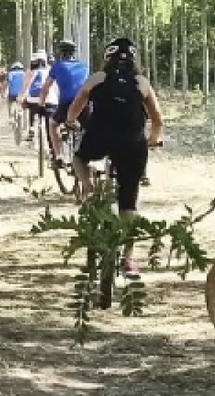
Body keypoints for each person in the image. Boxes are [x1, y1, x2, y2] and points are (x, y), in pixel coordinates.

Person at [66, 38, 164, 273]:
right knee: (129, 199)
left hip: (99, 137)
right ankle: (128, 258)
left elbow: (78, 102)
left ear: (108, 58)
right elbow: (158, 118)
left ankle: (89, 187)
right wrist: (154, 138)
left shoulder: (98, 77)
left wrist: (71, 121)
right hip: (132, 143)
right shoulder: (142, 82)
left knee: (79, 158)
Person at [41, 40, 89, 167]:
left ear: (60, 53)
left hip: (66, 102)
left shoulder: (57, 66)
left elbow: (46, 87)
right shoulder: (84, 66)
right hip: (84, 102)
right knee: (87, 128)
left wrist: (41, 103)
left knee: (53, 124)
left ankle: (59, 156)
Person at [21, 51, 58, 146]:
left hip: (33, 100)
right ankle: (52, 149)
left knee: (31, 108)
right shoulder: (51, 70)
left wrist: (22, 97)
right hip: (50, 101)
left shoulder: (30, 71)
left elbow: (26, 86)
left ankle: (32, 127)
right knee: (50, 125)